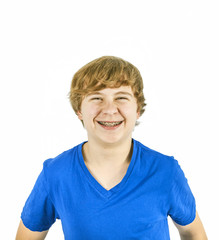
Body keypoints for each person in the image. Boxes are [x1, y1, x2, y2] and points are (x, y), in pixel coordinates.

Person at [16, 56, 207, 239]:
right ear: (79, 110)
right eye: (97, 98)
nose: (109, 109)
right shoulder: (56, 174)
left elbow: (193, 233)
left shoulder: (166, 171)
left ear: (138, 109)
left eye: (121, 98)